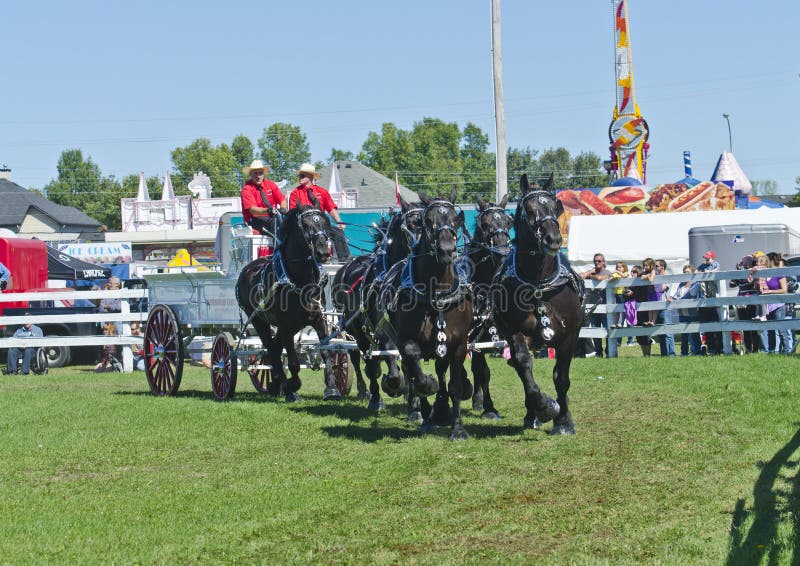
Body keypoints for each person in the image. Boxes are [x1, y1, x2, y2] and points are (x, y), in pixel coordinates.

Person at [288, 163, 351, 260]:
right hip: (305, 228)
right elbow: (292, 214)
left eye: (302, 175)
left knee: (338, 233)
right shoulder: (295, 193)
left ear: (310, 177)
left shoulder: (322, 192)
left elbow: (331, 208)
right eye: (299, 175)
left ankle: (344, 260)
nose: (299, 177)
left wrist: (339, 221)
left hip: (321, 227)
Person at [240, 159, 286, 236]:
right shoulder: (246, 189)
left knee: (288, 222)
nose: (258, 176)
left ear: (263, 174)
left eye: (260, 173)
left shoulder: (270, 184)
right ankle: (279, 246)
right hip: (253, 220)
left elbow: (282, 200)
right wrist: (268, 211)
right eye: (255, 173)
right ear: (250, 174)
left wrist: (283, 208)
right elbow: (252, 210)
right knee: (274, 223)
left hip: (272, 217)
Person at [579, 253, 612, 357]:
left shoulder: (607, 272)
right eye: (595, 261)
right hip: (592, 307)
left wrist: (591, 275)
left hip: (604, 306)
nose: (597, 263)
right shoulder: (591, 272)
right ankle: (598, 352)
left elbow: (601, 278)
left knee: (607, 329)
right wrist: (591, 271)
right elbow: (579, 277)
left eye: (599, 261)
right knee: (595, 330)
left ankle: (609, 351)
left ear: (603, 262)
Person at [668, 264, 702, 356]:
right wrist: (673, 298)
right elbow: (676, 295)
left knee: (694, 332)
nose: (685, 274)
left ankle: (697, 351)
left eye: (688, 272)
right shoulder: (681, 284)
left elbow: (694, 295)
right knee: (684, 333)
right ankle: (684, 352)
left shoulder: (696, 283)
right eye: (684, 272)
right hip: (682, 311)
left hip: (693, 310)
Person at [696, 250, 722, 355]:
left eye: (708, 258)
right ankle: (710, 348)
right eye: (705, 258)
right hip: (703, 298)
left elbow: (717, 270)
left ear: (712, 258)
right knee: (706, 325)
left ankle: (719, 347)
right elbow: (696, 272)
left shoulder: (715, 264)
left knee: (716, 323)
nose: (706, 260)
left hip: (713, 297)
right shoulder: (702, 266)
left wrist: (708, 272)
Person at [654, 259, 676, 357]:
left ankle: (671, 354)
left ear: (662, 267)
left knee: (668, 332)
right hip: (656, 308)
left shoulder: (667, 277)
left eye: (656, 266)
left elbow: (661, 288)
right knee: (660, 333)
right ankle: (664, 354)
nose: (654, 268)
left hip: (665, 308)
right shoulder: (655, 278)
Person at [609, 261, 629, 328]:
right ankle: (615, 322)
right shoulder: (616, 274)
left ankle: (622, 322)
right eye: (617, 267)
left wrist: (617, 272)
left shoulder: (625, 273)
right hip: (616, 294)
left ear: (624, 268)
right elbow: (610, 280)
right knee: (617, 309)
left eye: (620, 267)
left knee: (623, 309)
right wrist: (614, 278)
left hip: (623, 294)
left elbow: (625, 275)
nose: (618, 268)